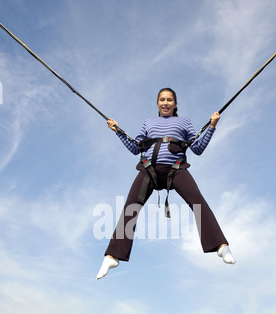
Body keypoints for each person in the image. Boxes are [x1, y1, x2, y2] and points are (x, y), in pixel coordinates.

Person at [96, 88, 235, 279]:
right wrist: (118, 131)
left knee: (197, 201)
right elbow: (136, 149)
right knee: (130, 207)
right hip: (148, 169)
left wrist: (212, 126)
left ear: (175, 104)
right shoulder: (148, 122)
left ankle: (221, 246)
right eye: (162, 100)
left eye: (169, 100)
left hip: (175, 169)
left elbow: (197, 148)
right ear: (157, 104)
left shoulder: (184, 122)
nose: (166, 103)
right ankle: (112, 256)